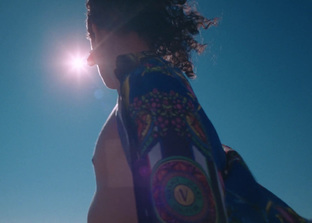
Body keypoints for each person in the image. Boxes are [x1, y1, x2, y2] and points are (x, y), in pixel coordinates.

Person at [85, 0, 311, 222]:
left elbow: (187, 202)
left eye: (89, 43)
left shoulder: (151, 82)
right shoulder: (148, 83)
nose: (89, 60)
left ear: (96, 32)